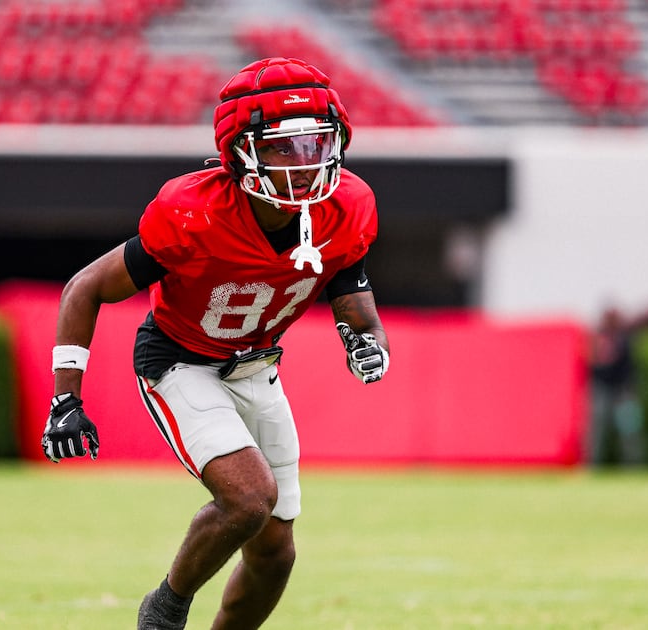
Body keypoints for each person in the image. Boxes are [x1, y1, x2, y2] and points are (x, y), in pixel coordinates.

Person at [40, 57, 391, 630]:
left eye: (317, 144)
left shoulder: (346, 205)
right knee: (250, 497)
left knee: (276, 553)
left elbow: (348, 279)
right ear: (240, 151)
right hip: (181, 362)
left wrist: (364, 338)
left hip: (258, 369)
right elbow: (85, 288)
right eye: (284, 148)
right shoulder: (193, 214)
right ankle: (164, 612)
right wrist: (66, 399)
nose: (305, 165)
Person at [586, 306, 646, 466]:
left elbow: (631, 367)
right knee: (596, 430)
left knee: (630, 432)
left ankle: (633, 466)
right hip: (602, 389)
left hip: (623, 391)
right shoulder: (597, 338)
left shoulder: (626, 339)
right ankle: (591, 465)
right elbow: (592, 366)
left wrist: (629, 388)